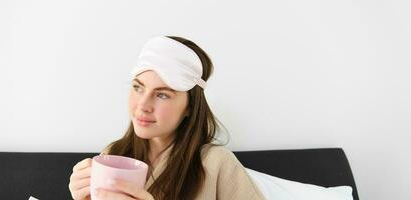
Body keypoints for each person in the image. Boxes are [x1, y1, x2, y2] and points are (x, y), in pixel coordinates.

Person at [68, 35, 266, 200]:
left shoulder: (216, 163)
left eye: (162, 94)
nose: (143, 106)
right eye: (138, 87)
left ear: (190, 107)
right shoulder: (114, 154)